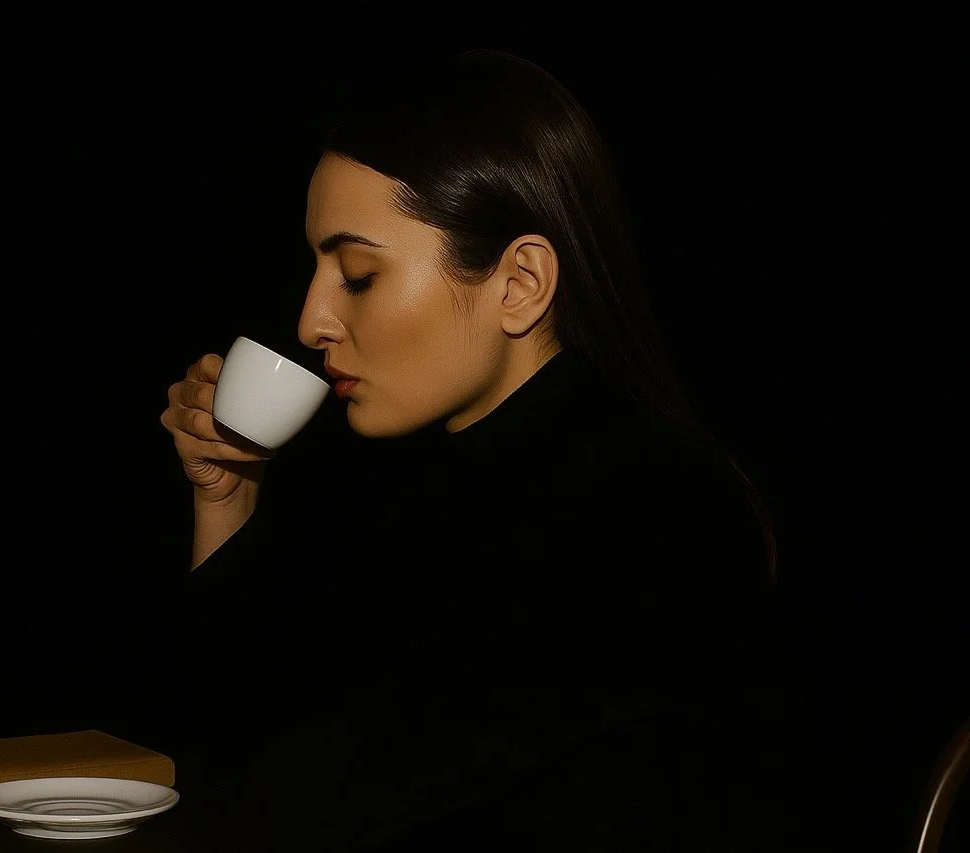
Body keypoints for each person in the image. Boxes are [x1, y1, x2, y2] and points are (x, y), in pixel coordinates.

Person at [157, 48, 786, 852]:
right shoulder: (406, 478)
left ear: (519, 282)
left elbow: (293, 800)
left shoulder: (655, 505)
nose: (312, 321)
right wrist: (226, 496)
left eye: (356, 274)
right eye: (315, 269)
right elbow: (218, 743)